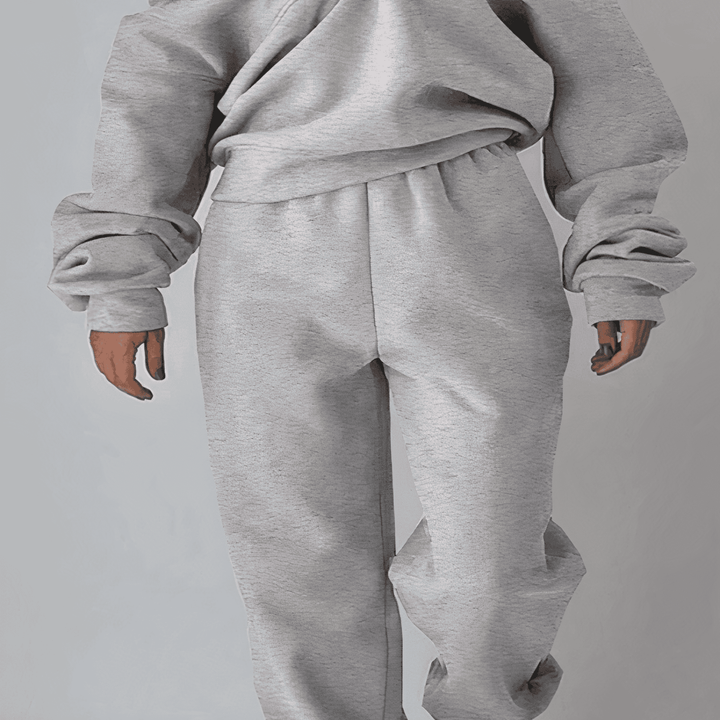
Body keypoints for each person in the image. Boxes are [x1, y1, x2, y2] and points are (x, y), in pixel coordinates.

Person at [48, 1, 695, 718]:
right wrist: (121, 277)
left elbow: (594, 61)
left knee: (492, 555)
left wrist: (620, 254)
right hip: (268, 237)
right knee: (295, 552)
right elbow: (165, 68)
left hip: (471, 221)